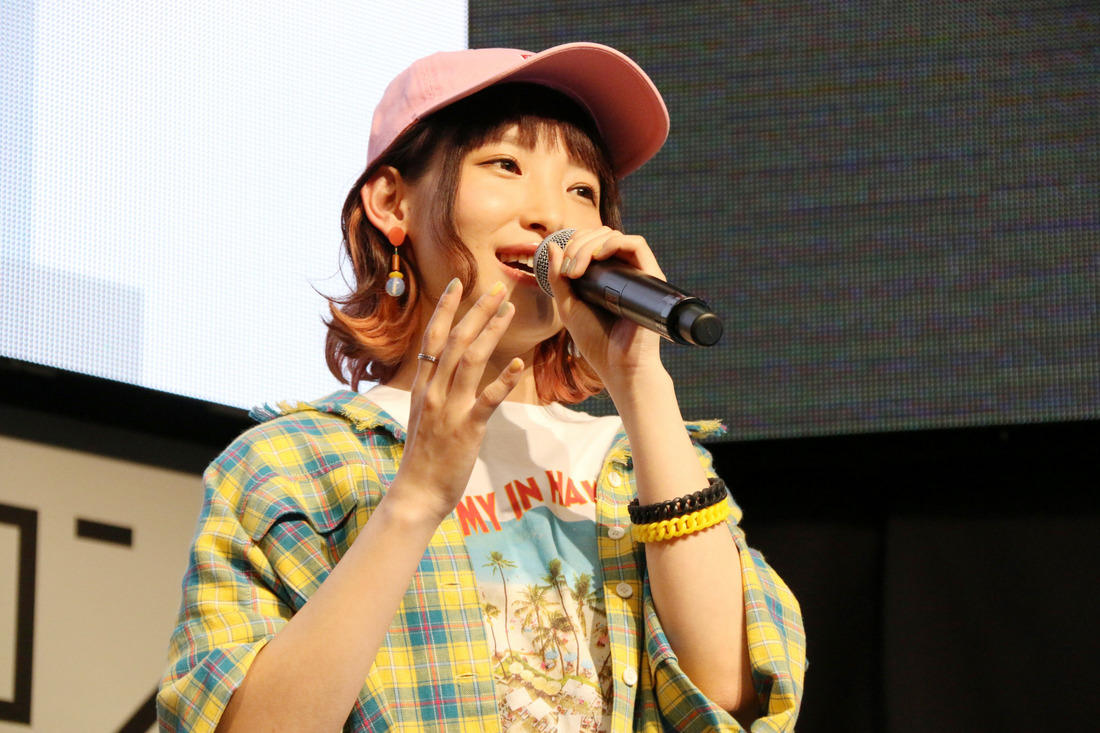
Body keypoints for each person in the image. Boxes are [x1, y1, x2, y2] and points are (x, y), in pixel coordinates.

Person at [157, 42, 805, 732]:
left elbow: (727, 691)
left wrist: (639, 379)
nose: (551, 214)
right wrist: (416, 497)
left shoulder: (639, 459)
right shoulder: (289, 466)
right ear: (391, 201)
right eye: (505, 165)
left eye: (582, 191)